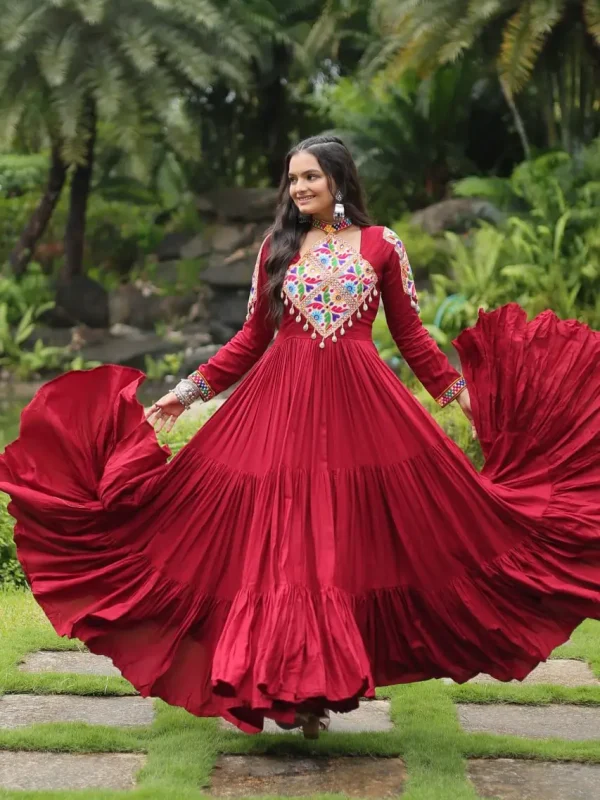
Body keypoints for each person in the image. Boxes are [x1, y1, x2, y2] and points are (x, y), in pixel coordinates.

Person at [1, 136, 599, 740]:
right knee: (285, 546)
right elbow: (248, 343)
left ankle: (318, 684)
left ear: (339, 180)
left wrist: (463, 400)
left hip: (361, 413)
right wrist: (184, 394)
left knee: (346, 544)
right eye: (292, 180)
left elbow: (413, 337)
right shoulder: (277, 248)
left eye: (310, 177)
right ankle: (296, 689)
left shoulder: (382, 244)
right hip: (279, 409)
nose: (300, 188)